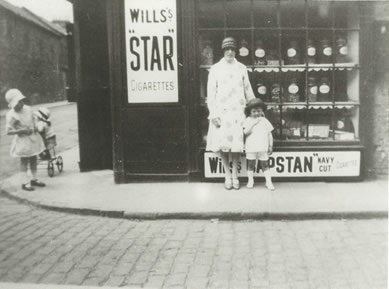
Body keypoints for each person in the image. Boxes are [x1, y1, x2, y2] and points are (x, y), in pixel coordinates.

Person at [206, 37, 255, 190]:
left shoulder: (241, 68)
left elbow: (247, 88)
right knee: (223, 145)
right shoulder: (215, 69)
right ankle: (227, 174)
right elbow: (211, 92)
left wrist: (254, 106)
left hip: (238, 112)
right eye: (227, 49)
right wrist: (213, 113)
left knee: (236, 146)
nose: (230, 51)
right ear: (223, 50)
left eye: (232, 49)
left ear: (236, 51)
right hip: (222, 112)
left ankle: (235, 175)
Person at [4, 89, 46, 191]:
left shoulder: (28, 109)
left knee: (33, 159)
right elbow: (8, 131)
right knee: (24, 161)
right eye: (17, 103)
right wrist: (21, 130)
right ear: (13, 104)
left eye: (21, 101)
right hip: (22, 140)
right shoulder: (11, 115)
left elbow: (33, 120)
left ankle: (34, 179)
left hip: (33, 138)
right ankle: (24, 182)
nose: (20, 104)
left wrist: (36, 126)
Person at [243, 98, 275, 190]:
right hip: (251, 147)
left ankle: (268, 182)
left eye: (258, 111)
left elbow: (269, 134)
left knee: (265, 164)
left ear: (262, 111)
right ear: (249, 112)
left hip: (262, 147)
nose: (256, 113)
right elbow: (245, 133)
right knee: (251, 164)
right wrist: (253, 123)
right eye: (254, 111)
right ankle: (250, 181)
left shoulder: (264, 120)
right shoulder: (248, 120)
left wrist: (270, 145)